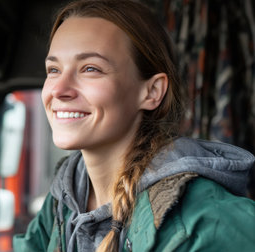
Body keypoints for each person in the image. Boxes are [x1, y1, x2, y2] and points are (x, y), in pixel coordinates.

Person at [13, 0, 255, 251]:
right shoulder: (62, 203)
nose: (59, 90)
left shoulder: (203, 223)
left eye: (90, 68)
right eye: (53, 69)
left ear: (152, 91)